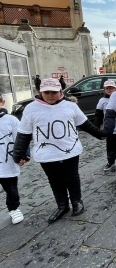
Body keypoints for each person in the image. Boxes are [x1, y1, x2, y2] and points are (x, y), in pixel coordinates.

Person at [13, 78, 103, 223]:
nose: (50, 95)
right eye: (46, 92)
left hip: (70, 150)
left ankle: (76, 201)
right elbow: (24, 133)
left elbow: (85, 124)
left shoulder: (70, 106)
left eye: (53, 92)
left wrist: (100, 134)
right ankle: (62, 205)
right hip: (46, 153)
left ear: (60, 91)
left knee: (72, 177)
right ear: (40, 92)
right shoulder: (31, 109)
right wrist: (19, 154)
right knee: (55, 180)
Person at [0, 94, 26, 224]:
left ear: (2, 102)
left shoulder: (11, 120)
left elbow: (22, 138)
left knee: (11, 189)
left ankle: (14, 208)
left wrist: (23, 155)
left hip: (6, 162)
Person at [93, 80, 116, 171]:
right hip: (110, 130)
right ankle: (111, 162)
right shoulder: (102, 101)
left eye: (111, 88)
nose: (109, 90)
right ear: (104, 89)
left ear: (115, 88)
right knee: (111, 148)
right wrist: (96, 129)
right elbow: (98, 115)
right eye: (107, 88)